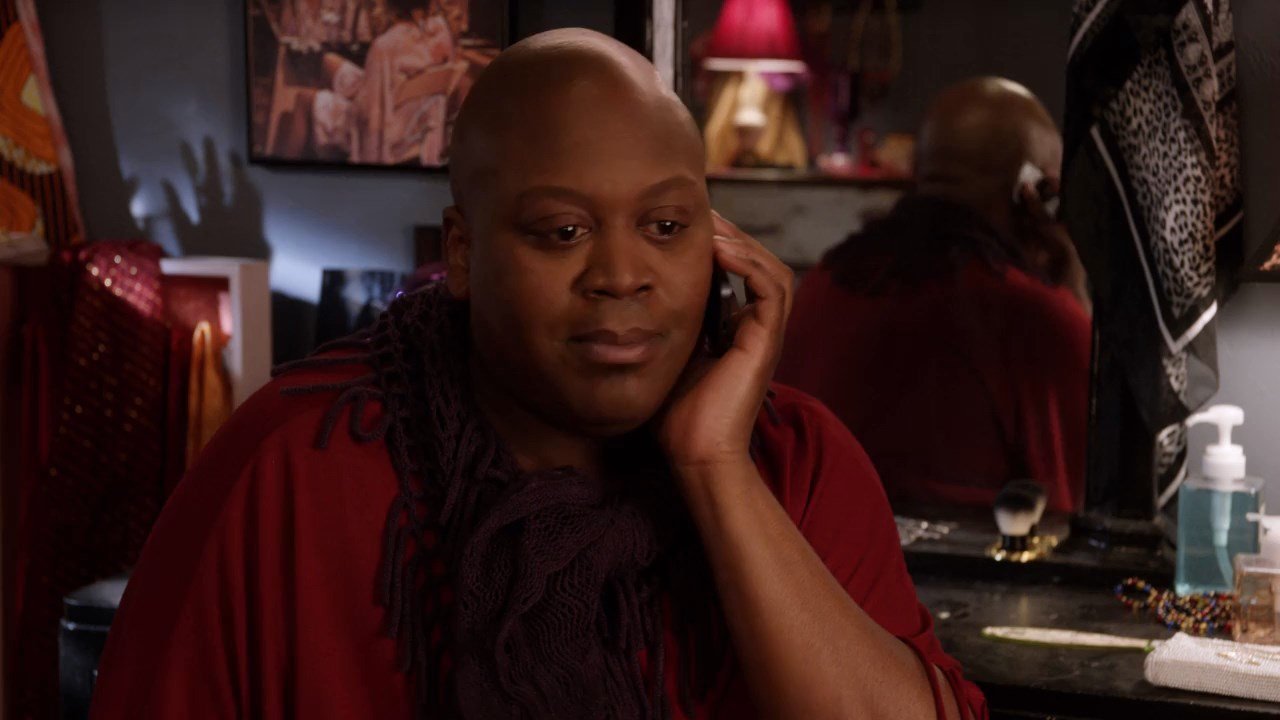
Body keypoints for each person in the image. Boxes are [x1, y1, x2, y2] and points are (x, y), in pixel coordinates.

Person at [90, 30, 984, 719]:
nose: (622, 275)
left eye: (666, 227)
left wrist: (716, 468)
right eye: (563, 232)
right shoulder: (292, 466)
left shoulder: (797, 459)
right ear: (463, 252)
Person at [778, 77, 1091, 514]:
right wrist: (1072, 287)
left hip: (809, 547)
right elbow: (1078, 501)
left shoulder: (822, 285)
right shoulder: (1038, 321)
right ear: (1034, 193)